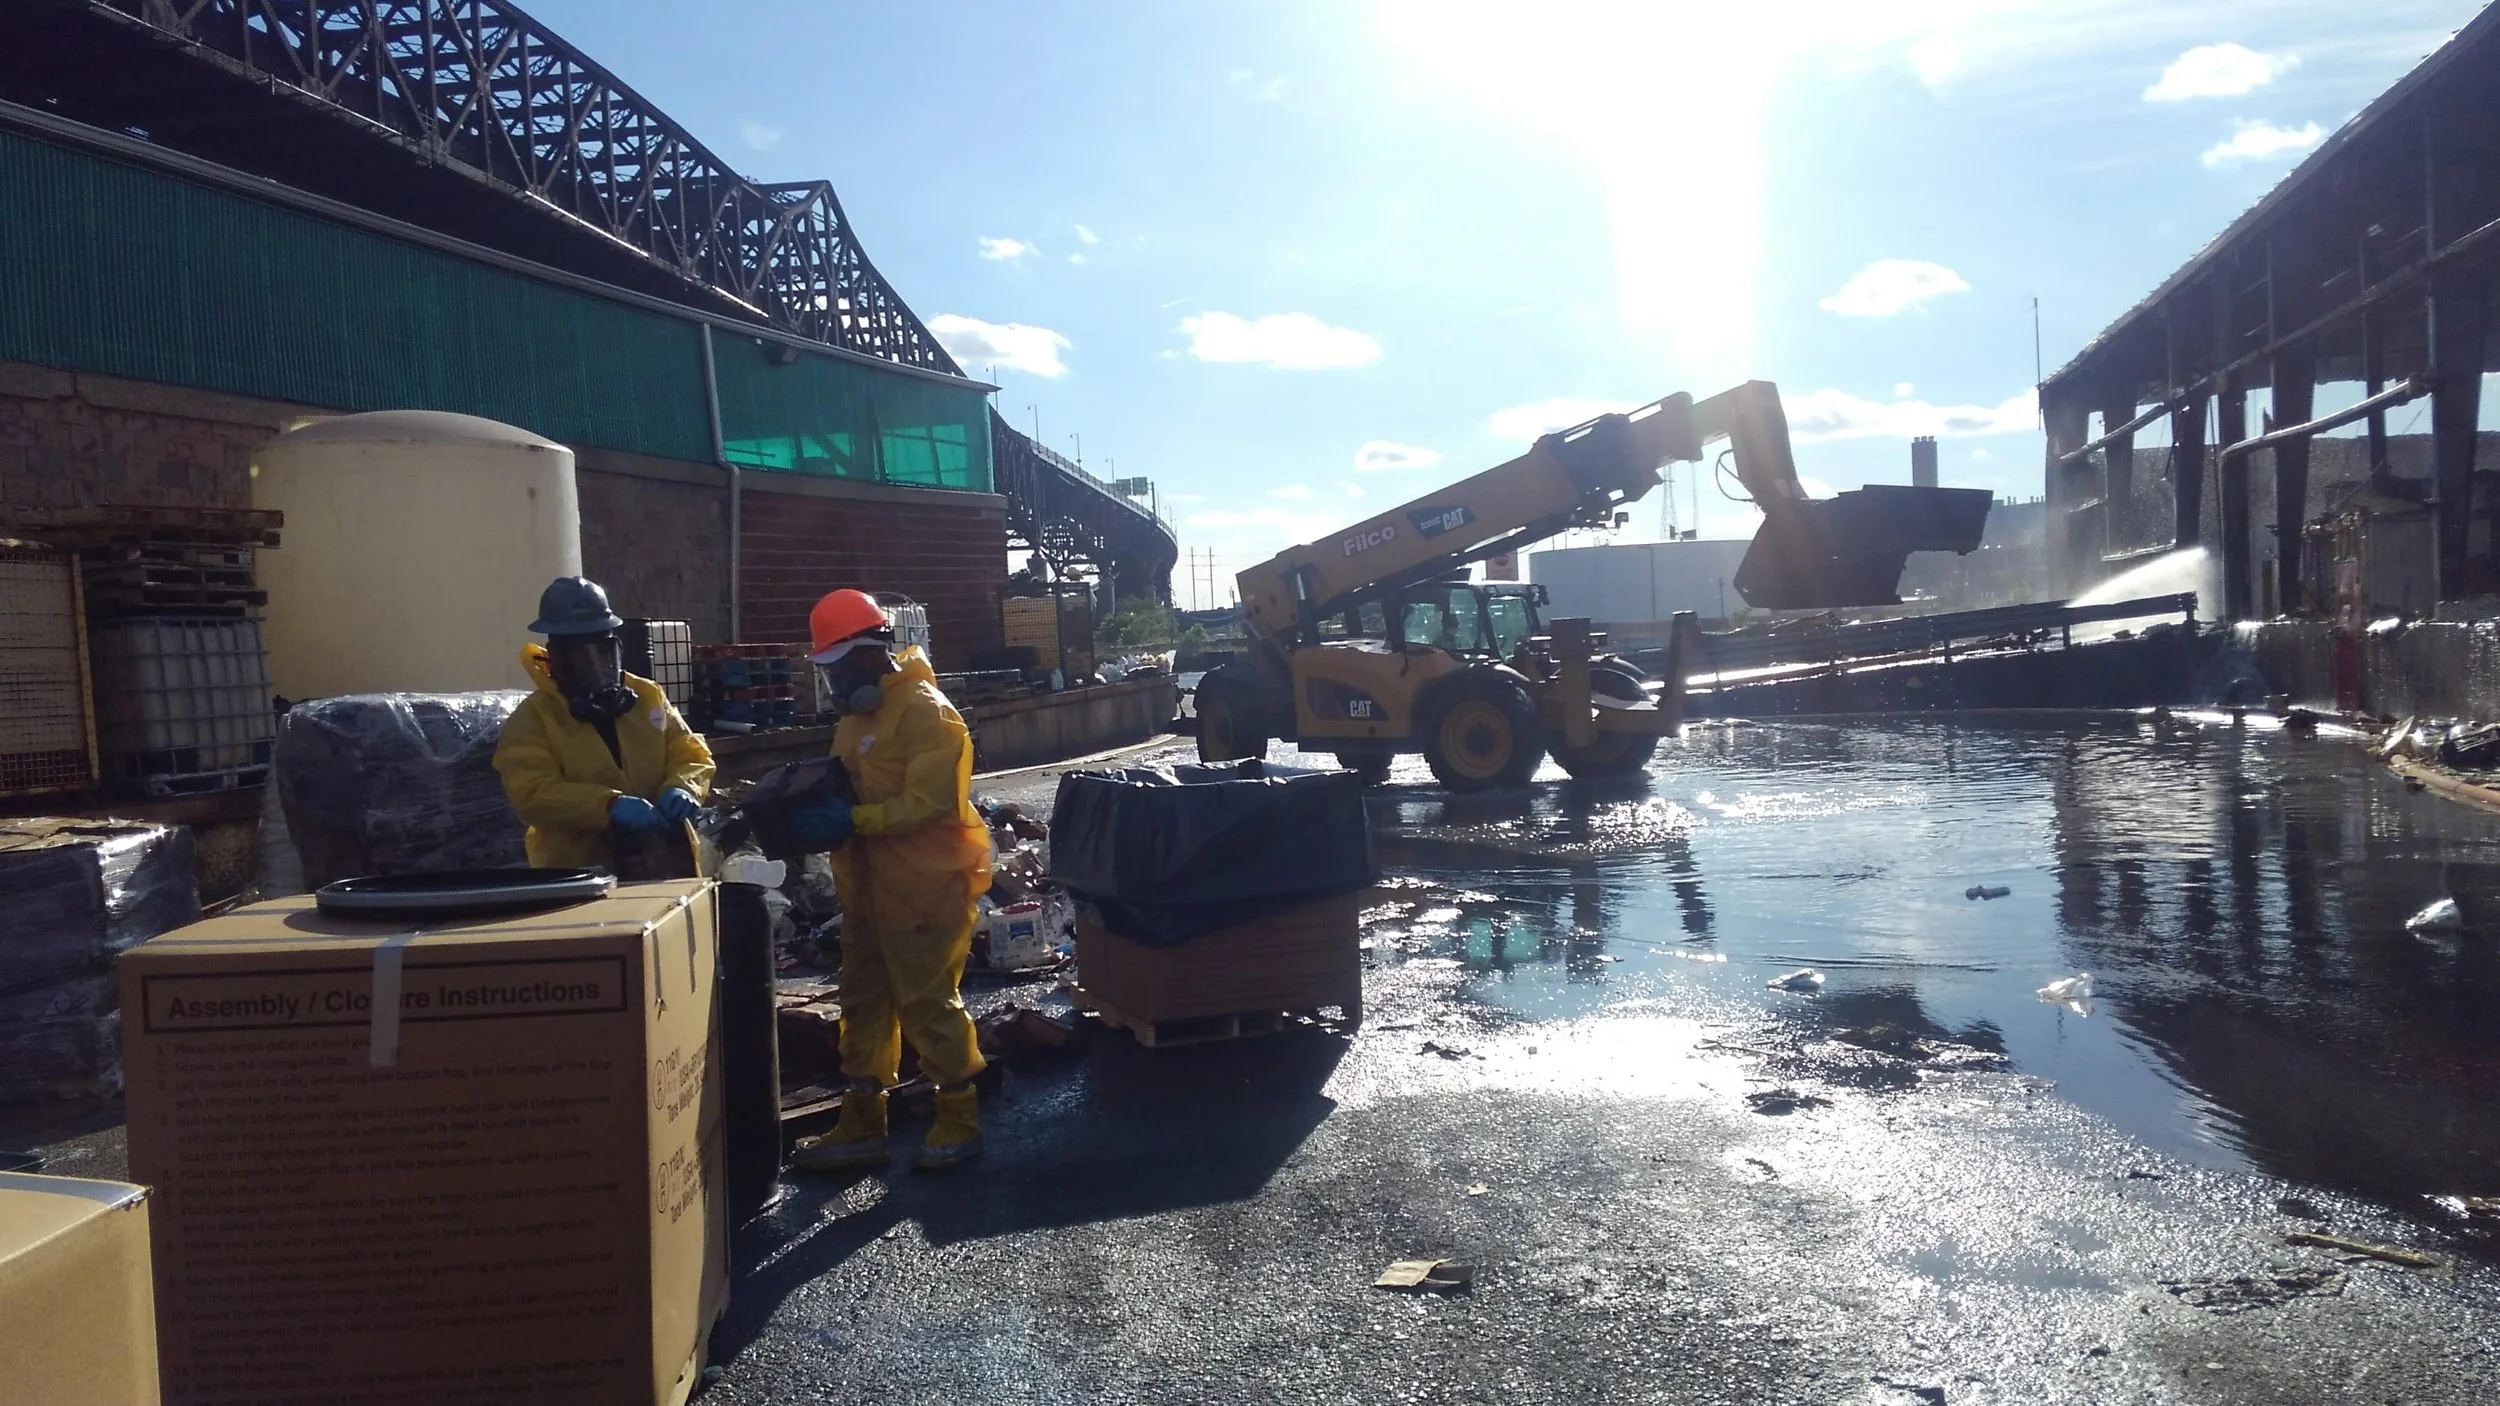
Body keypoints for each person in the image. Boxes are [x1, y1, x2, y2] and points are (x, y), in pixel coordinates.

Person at [787, 589, 994, 1173]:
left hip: (926, 884)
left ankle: (958, 1114)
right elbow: (846, 787)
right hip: (869, 889)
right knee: (863, 1002)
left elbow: (931, 803)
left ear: (871, 652)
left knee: (929, 1003)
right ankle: (863, 1122)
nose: (833, 683)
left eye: (839, 667)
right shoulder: (857, 721)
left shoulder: (927, 712)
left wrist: (853, 819)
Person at [494, 576, 715, 870]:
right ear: (555, 656)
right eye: (581, 656)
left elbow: (689, 752)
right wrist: (607, 805)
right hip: (578, 876)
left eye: (604, 652)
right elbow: (532, 794)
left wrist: (685, 786)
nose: (597, 666)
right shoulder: (532, 720)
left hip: (664, 860)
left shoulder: (648, 696)